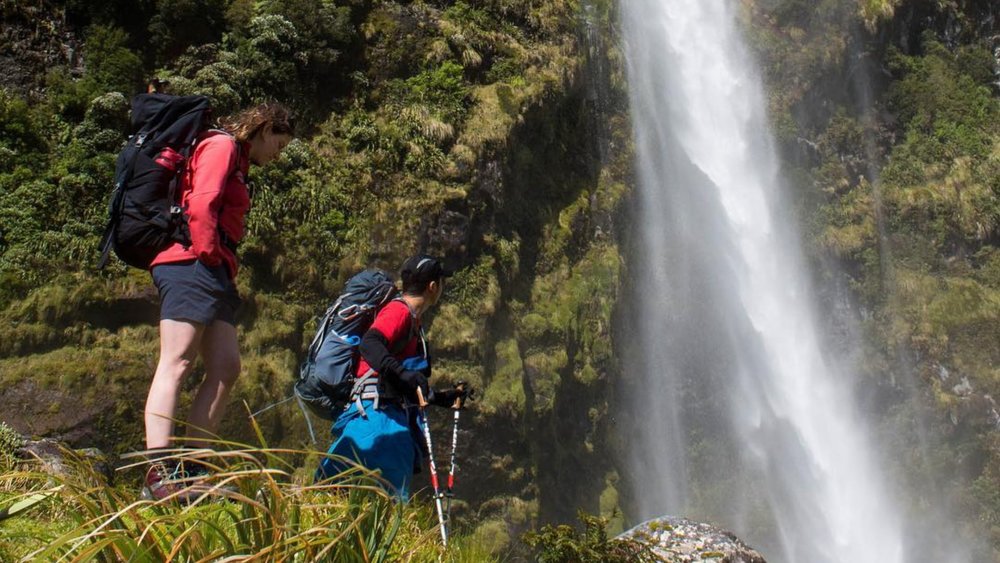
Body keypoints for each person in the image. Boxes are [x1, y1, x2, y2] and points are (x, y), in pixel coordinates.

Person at [142, 103, 294, 500]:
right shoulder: (222, 146)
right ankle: (158, 472)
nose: (277, 155)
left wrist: (221, 265)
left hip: (213, 269)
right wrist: (209, 254)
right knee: (177, 361)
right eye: (278, 144)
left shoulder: (240, 163)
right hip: (190, 261)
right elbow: (202, 202)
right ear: (263, 129)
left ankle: (196, 469)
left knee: (226, 367)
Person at [316, 255, 467, 500]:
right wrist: (402, 374)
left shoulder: (414, 322)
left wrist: (443, 398)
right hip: (377, 416)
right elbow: (371, 344)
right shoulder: (399, 312)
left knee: (337, 487)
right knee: (377, 496)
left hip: (382, 414)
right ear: (433, 287)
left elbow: (403, 382)